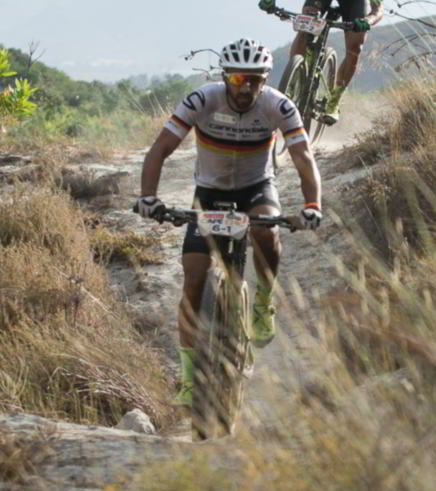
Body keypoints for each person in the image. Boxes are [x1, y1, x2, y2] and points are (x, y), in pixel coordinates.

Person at [133, 38, 323, 406]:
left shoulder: (278, 105)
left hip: (256, 188)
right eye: (238, 79)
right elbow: (160, 148)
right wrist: (148, 196)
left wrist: (312, 203)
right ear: (225, 78)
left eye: (255, 80)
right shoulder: (202, 100)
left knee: (266, 228)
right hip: (209, 192)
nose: (246, 88)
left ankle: (264, 301)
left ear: (264, 79)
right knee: (192, 280)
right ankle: (189, 380)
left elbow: (302, 156)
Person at [258, 0, 383, 122]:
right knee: (307, 21)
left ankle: (334, 101)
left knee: (355, 47)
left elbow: (378, 8)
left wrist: (367, 21)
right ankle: (295, 78)